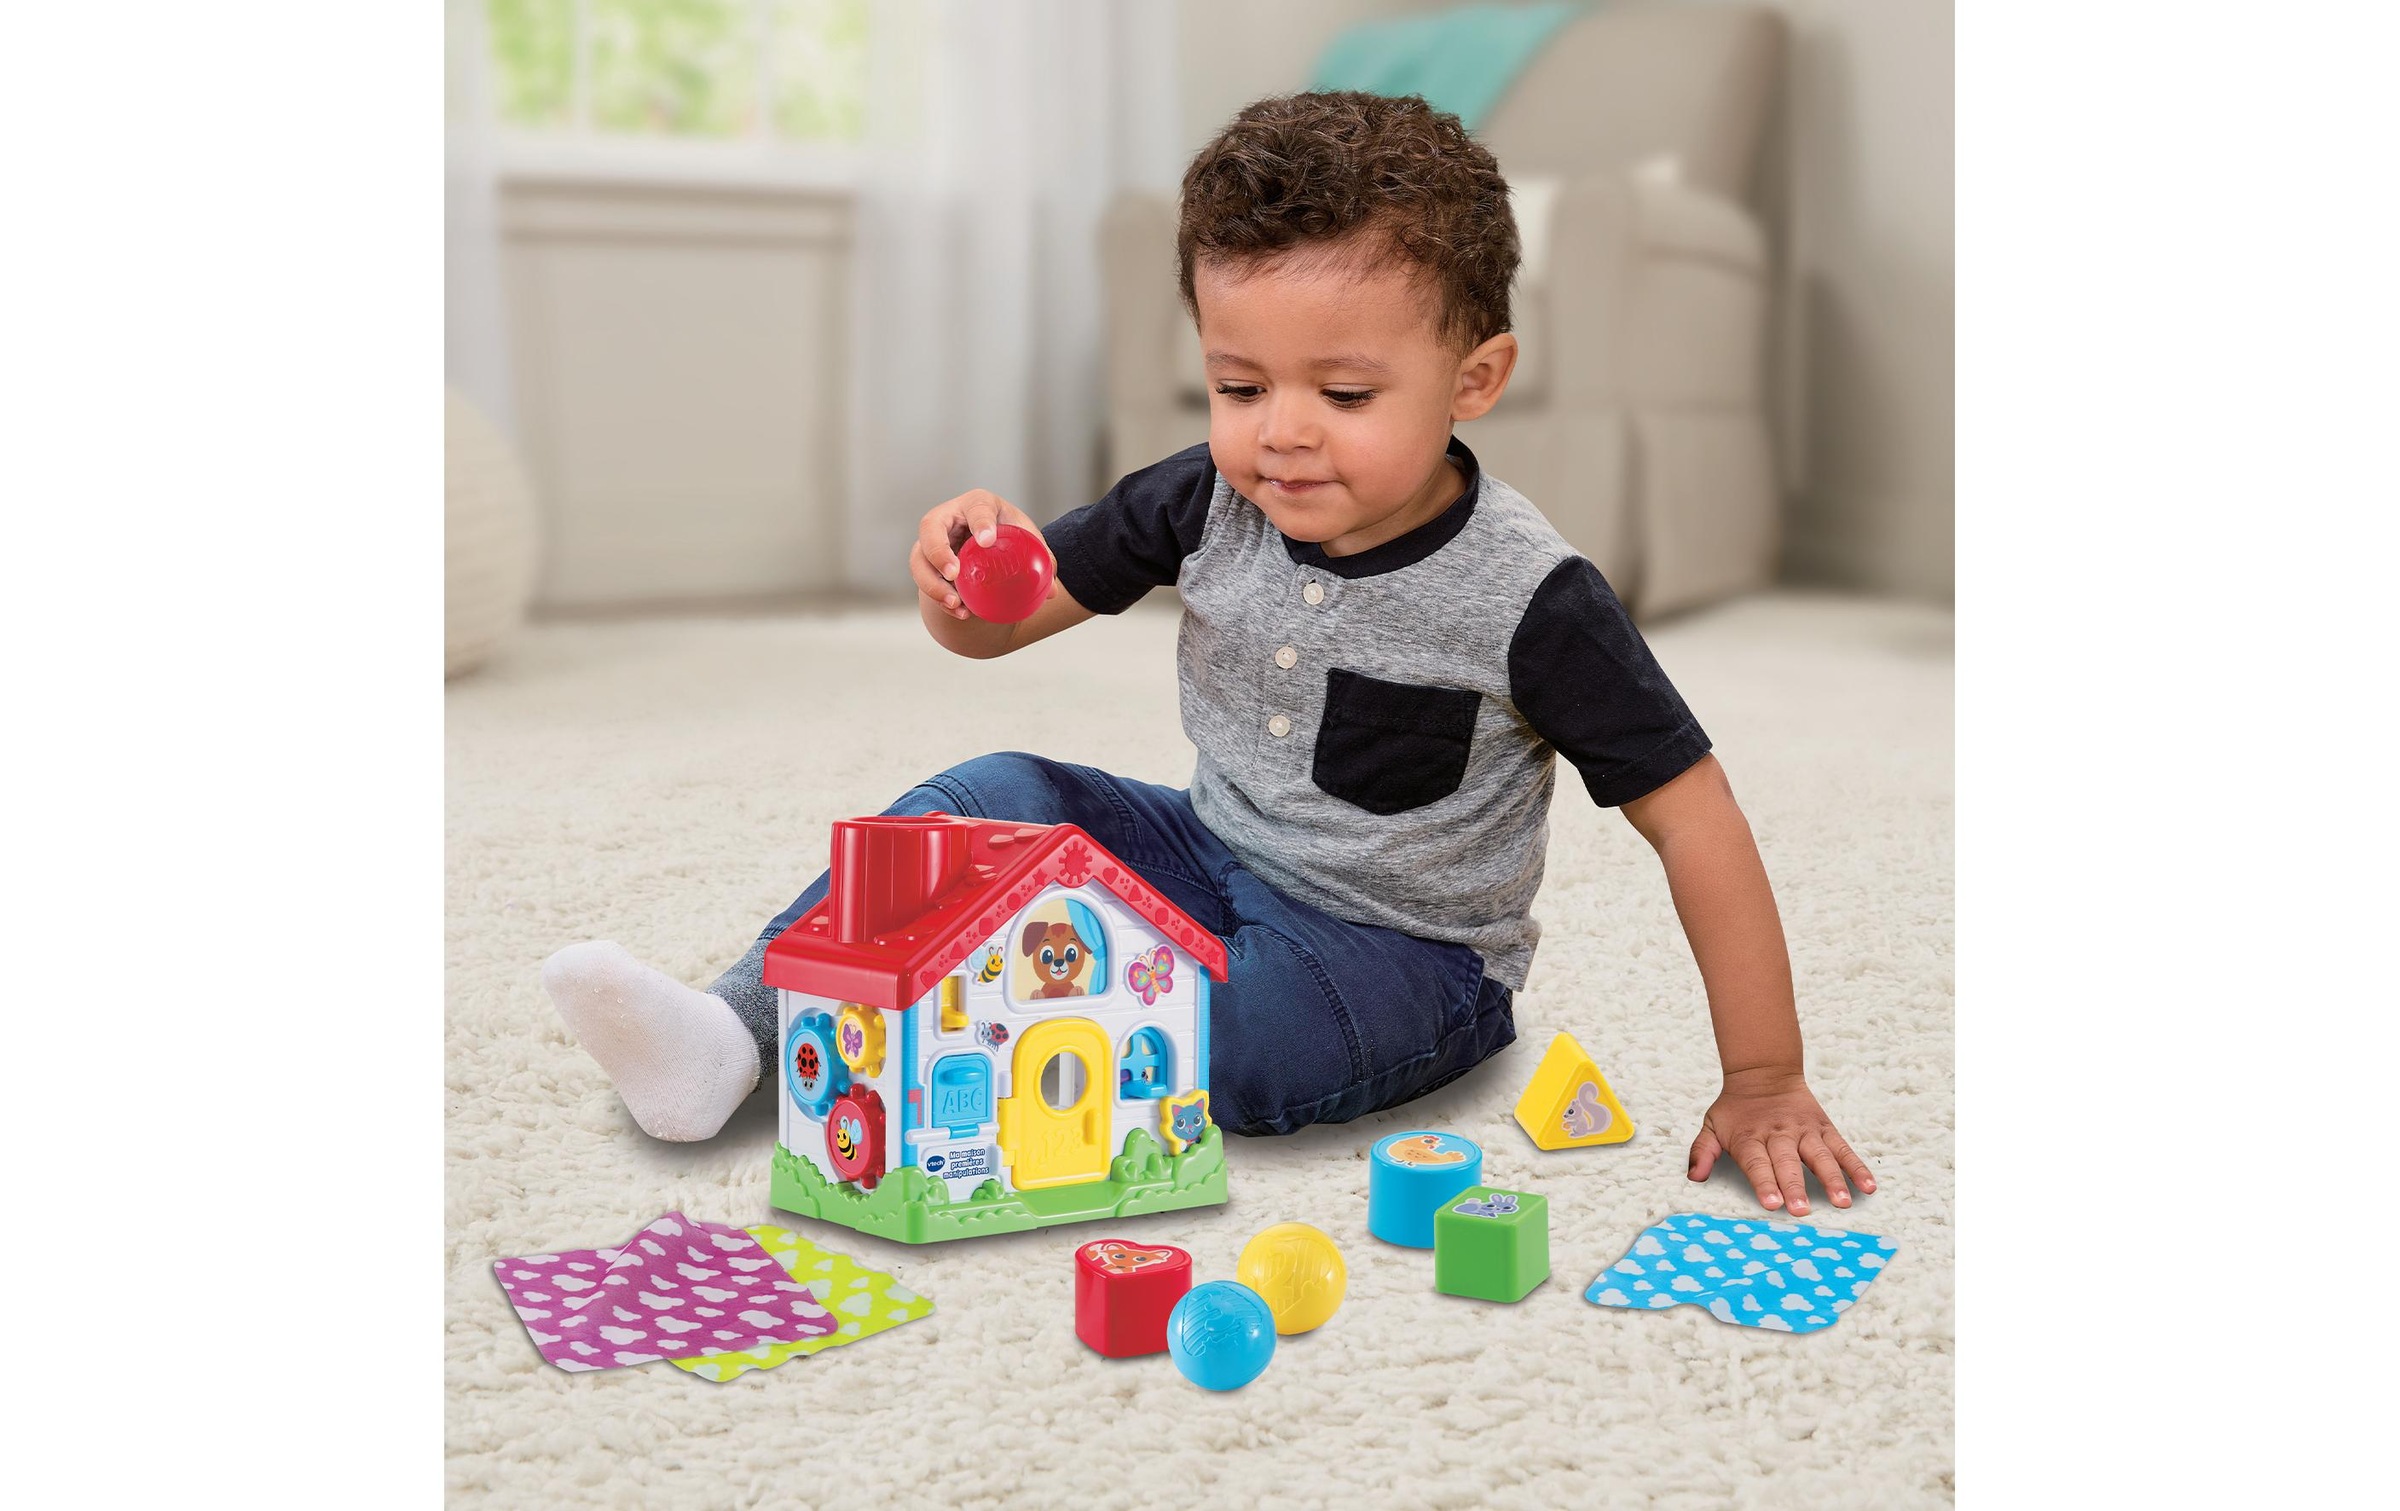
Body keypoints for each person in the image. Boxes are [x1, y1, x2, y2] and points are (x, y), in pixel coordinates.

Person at [546, 91, 1875, 1217]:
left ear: (1475, 380)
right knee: (989, 794)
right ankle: (731, 1036)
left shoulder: (1534, 598)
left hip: (1399, 959)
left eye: (1343, 394)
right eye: (1240, 386)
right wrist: (962, 575)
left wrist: (1764, 1077)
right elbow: (994, 629)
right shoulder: (1205, 496)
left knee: (1232, 1044)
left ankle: (995, 1039)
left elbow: (1697, 819)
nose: (1279, 432)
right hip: (1205, 852)